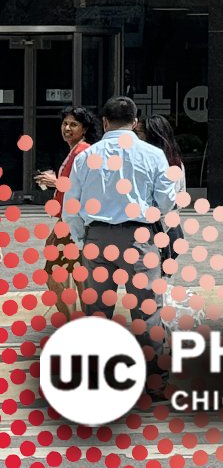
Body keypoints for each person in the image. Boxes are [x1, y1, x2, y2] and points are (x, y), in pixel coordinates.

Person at [62, 95, 179, 398]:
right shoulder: (153, 154)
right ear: (136, 121)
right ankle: (154, 381)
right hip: (139, 238)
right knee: (147, 310)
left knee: (97, 312)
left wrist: (81, 238)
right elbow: (166, 201)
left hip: (97, 238)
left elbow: (70, 206)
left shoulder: (87, 157)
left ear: (104, 122)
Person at [34, 107, 97, 321]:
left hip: (73, 223)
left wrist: (56, 182)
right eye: (65, 124)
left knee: (54, 276)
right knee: (78, 277)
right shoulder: (76, 150)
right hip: (69, 222)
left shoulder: (82, 151)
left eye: (73, 125)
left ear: (84, 128)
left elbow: (84, 187)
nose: (67, 128)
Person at [141, 114, 186, 274]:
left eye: (139, 133)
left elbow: (165, 202)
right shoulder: (176, 161)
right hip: (172, 230)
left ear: (152, 137)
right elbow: (181, 196)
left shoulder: (155, 165)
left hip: (158, 231)